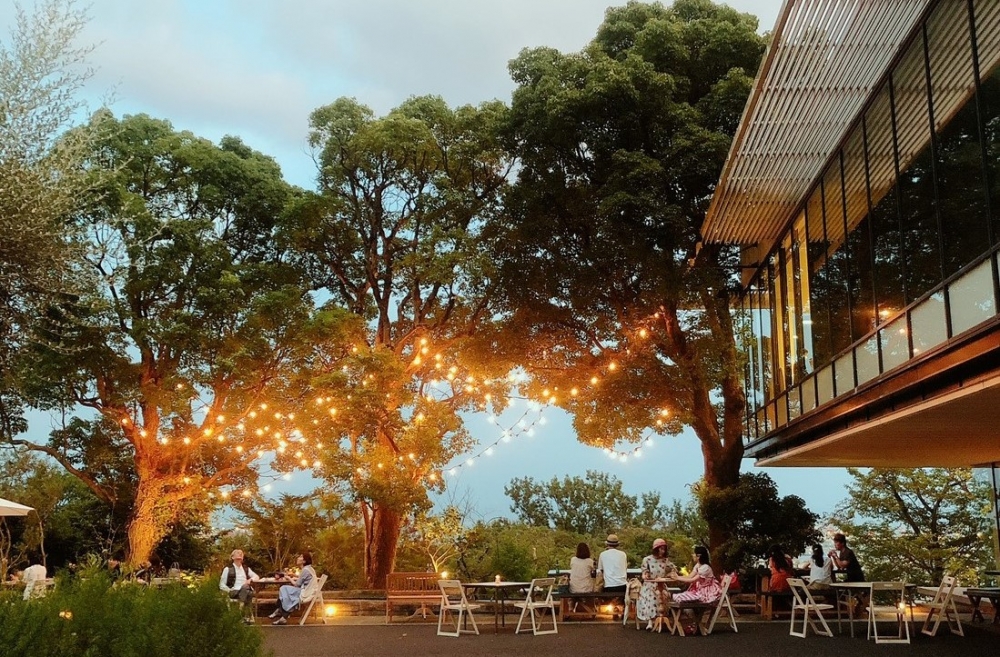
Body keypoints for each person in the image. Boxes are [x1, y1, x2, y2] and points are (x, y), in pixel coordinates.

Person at [637, 538, 676, 630]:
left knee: (665, 595)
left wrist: (671, 573)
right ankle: (650, 621)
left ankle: (662, 618)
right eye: (660, 549)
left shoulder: (665, 560)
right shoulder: (647, 559)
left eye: (663, 549)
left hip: (661, 583)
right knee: (651, 596)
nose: (662, 551)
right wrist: (646, 575)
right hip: (650, 584)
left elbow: (673, 568)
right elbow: (644, 572)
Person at [271, 551, 316, 625]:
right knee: (286, 591)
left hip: (305, 593)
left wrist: (289, 578)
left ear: (304, 561)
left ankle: (279, 610)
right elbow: (303, 578)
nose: (298, 558)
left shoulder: (305, 570)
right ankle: (281, 615)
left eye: (301, 556)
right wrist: (294, 575)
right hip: (308, 590)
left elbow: (297, 584)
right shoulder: (309, 569)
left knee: (284, 589)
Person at [220, 549, 260, 624]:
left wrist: (250, 580)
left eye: (241, 554)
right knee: (248, 591)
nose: (240, 554)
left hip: (244, 590)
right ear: (232, 557)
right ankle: (245, 615)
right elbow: (221, 584)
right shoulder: (228, 569)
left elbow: (257, 577)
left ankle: (241, 616)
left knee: (247, 591)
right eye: (237, 553)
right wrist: (229, 590)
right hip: (233, 591)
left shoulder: (246, 569)